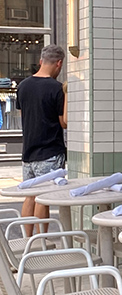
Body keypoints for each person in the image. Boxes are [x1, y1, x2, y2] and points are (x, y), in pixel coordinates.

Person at [16, 45, 67, 227]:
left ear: (40, 62)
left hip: (28, 152)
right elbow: (64, 122)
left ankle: (27, 241)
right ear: (59, 64)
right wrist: (66, 96)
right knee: (43, 198)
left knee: (29, 196)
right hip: (49, 152)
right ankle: (42, 242)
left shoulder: (22, 86)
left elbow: (24, 116)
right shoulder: (57, 88)